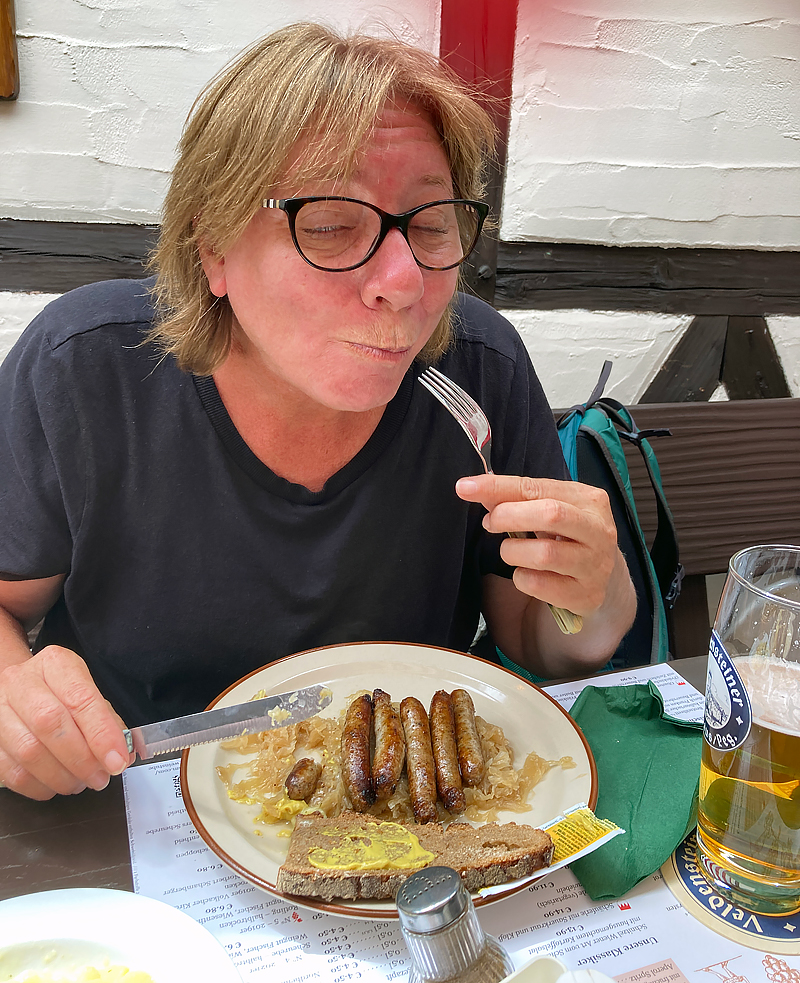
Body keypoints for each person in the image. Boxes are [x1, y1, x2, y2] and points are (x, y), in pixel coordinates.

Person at [0, 23, 636, 801]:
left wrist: (597, 596)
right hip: (130, 800)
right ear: (214, 247)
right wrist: (16, 701)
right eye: (332, 224)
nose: (405, 281)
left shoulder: (479, 371)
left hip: (402, 812)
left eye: (432, 224)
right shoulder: (83, 369)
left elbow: (536, 640)